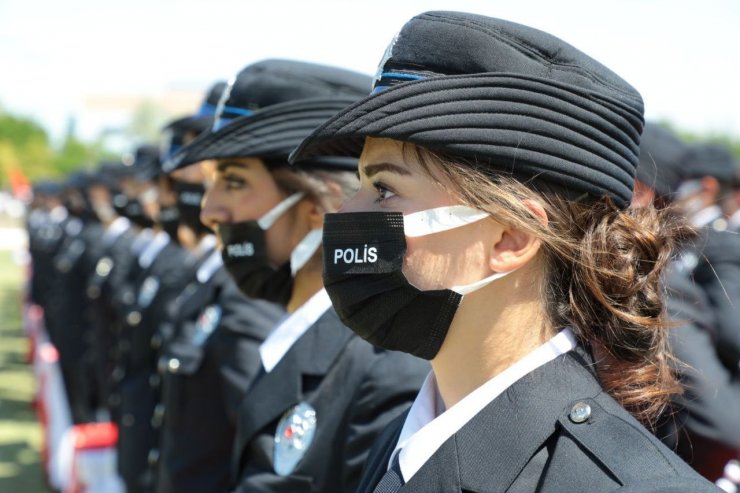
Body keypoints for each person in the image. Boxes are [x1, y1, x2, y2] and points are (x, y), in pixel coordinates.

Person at [291, 11, 720, 492]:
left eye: (385, 189)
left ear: (510, 238)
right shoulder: (405, 441)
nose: (347, 213)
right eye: (361, 184)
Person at [173, 58, 429, 492]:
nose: (209, 211)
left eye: (233, 183)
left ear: (317, 207)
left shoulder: (382, 374)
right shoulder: (295, 342)